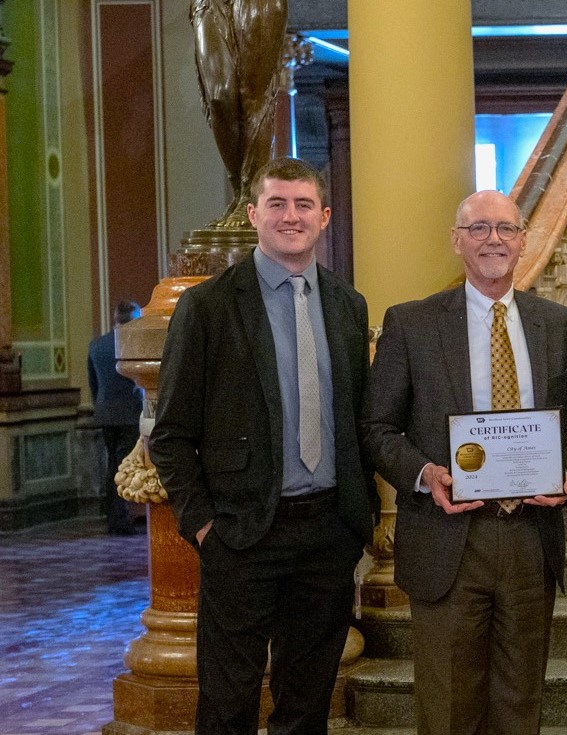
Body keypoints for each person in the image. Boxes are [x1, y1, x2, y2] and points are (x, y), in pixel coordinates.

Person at [149, 157, 376, 735]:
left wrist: (359, 520)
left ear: (324, 218)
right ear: (253, 215)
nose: (290, 216)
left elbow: (359, 421)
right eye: (276, 203)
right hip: (241, 535)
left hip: (328, 534)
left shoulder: (350, 307)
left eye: (303, 205)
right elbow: (170, 435)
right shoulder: (207, 307)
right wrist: (204, 528)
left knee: (306, 707)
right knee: (227, 705)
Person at [362, 190, 567, 735]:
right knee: (447, 711)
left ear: (523, 241)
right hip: (447, 539)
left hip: (530, 539)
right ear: (457, 241)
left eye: (506, 229)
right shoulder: (411, 324)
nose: (494, 239)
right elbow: (376, 428)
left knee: (520, 707)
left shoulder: (555, 324)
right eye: (480, 228)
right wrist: (424, 474)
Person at [89, 300, 146, 535]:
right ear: (132, 319)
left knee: (112, 463)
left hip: (104, 414)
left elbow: (93, 382)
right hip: (128, 415)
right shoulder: (131, 343)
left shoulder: (97, 345)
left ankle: (114, 516)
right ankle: (121, 520)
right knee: (124, 466)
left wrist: (98, 406)